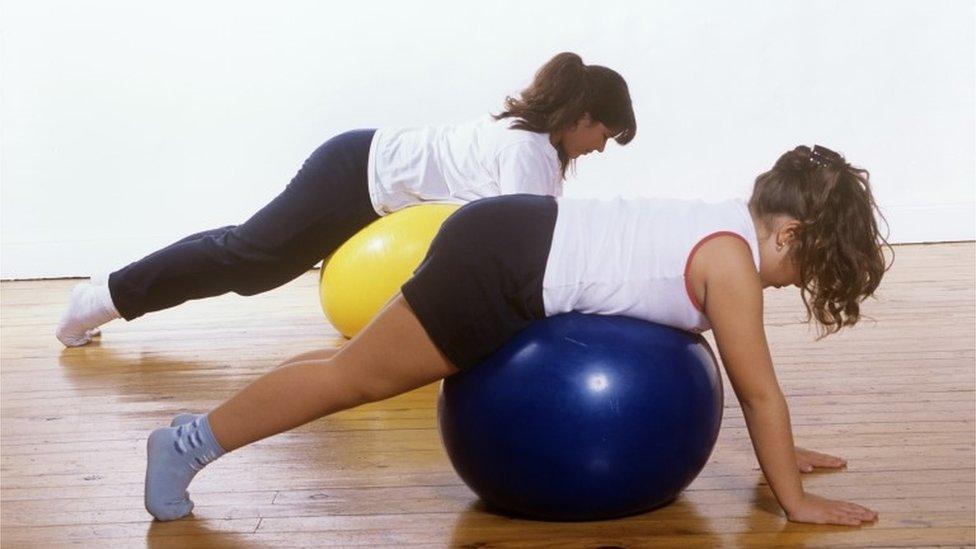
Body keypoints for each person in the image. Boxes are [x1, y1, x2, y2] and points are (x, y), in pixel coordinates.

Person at [144, 144, 890, 526]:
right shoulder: (729, 261)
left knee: (351, 364)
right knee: (355, 380)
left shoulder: (721, 225)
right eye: (815, 264)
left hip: (511, 234)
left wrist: (784, 456)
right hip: (506, 265)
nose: (804, 283)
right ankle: (187, 443)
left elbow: (759, 394)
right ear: (789, 234)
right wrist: (795, 501)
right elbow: (758, 391)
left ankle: (192, 434)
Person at [56, 52, 636, 347]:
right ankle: (102, 297)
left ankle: (110, 293)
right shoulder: (526, 152)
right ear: (582, 117)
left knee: (251, 260)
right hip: (354, 172)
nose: (601, 149)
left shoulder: (537, 150)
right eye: (604, 136)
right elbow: (526, 253)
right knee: (248, 259)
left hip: (367, 179)